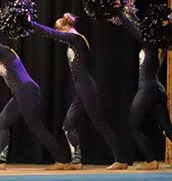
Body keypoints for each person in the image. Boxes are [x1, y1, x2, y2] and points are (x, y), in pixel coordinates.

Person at [0, 30, 70, 170]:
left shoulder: (4, 51)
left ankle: (62, 160)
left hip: (27, 91)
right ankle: (0, 162)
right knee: (2, 122)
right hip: (20, 94)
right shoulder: (0, 56)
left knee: (36, 126)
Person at [29, 14, 127, 170]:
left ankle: (121, 159)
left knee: (100, 124)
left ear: (65, 28)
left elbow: (51, 33)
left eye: (60, 32)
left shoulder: (76, 38)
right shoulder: (73, 41)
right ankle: (76, 161)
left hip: (86, 87)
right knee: (68, 125)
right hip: (80, 89)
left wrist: (31, 23)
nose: (59, 37)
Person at [118, 9, 172, 169]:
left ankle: (151, 160)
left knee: (132, 125)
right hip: (157, 89)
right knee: (166, 127)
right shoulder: (155, 43)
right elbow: (141, 27)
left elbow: (133, 29)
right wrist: (132, 13)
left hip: (147, 88)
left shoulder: (150, 43)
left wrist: (119, 12)